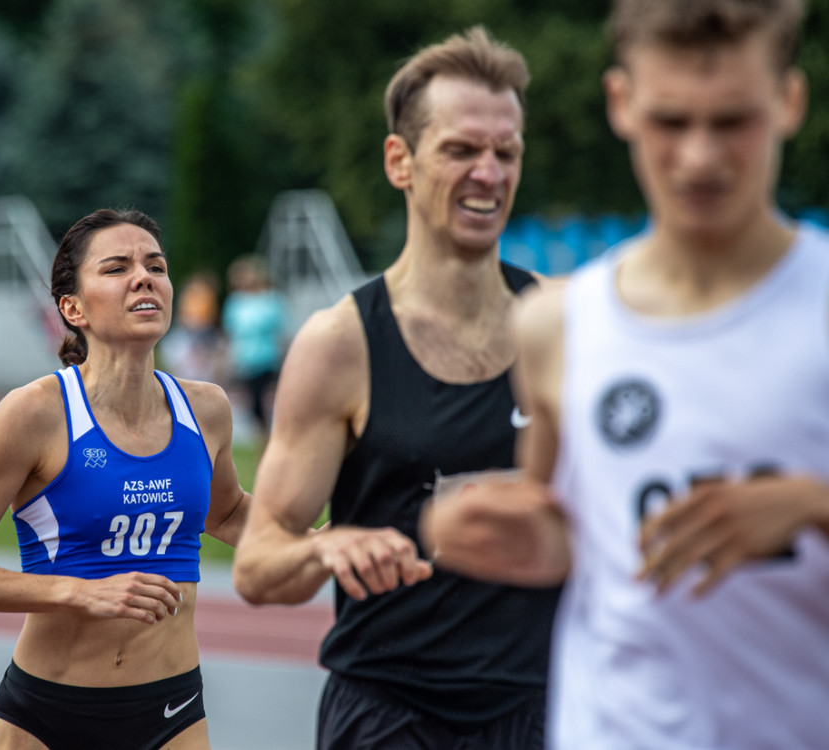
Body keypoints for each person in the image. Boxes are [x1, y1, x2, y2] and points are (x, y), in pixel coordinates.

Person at [421, 2, 829, 748]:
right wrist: (480, 524)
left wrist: (811, 506)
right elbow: (570, 538)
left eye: (732, 120)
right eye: (672, 122)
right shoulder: (557, 324)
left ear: (788, 101)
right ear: (622, 103)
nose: (700, 158)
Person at [233, 27, 561, 750]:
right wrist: (327, 548)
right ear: (400, 161)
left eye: (506, 152)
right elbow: (258, 567)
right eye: (461, 149)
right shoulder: (340, 344)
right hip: (390, 715)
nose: (489, 172)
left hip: (541, 710)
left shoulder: (563, 325)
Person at [0, 208, 252, 750]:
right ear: (72, 308)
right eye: (118, 267)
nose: (145, 277)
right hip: (50, 714)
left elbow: (229, 512)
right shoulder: (33, 414)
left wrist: (315, 542)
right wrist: (81, 592)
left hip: (173, 710)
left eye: (156, 265)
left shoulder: (206, 408)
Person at [221, 254, 288, 441]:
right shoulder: (235, 302)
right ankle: (264, 437)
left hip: (268, 358)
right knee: (254, 405)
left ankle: (272, 437)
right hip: (246, 359)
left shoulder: (271, 299)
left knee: (269, 401)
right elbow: (231, 332)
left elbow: (279, 329)